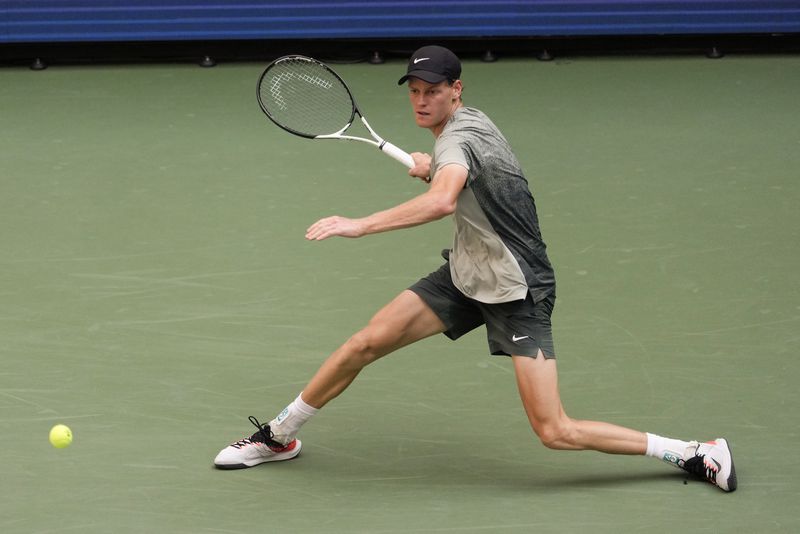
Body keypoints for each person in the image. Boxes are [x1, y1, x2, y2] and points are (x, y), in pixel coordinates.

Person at [214, 45, 737, 492]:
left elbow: (444, 201)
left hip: (515, 286)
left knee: (554, 430)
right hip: (468, 272)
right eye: (414, 90)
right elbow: (461, 182)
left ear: (456, 90)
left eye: (433, 91)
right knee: (364, 343)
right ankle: (279, 436)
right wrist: (433, 167)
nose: (421, 100)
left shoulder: (460, 139)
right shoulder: (469, 127)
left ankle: (693, 451)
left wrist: (361, 223)